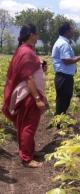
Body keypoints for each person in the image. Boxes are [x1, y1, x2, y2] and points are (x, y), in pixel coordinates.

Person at [2, 24, 47, 168]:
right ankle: (27, 158)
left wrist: (41, 67)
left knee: (24, 125)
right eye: (37, 34)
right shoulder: (26, 52)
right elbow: (28, 78)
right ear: (31, 35)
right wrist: (38, 99)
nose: (38, 36)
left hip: (27, 94)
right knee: (28, 126)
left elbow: (30, 73)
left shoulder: (24, 50)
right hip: (29, 95)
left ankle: (28, 151)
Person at [51, 22, 80, 115]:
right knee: (63, 100)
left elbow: (67, 60)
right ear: (67, 31)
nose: (73, 32)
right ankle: (59, 122)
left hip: (63, 77)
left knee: (63, 99)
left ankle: (60, 119)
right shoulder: (64, 44)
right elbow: (67, 61)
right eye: (72, 30)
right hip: (64, 78)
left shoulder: (61, 42)